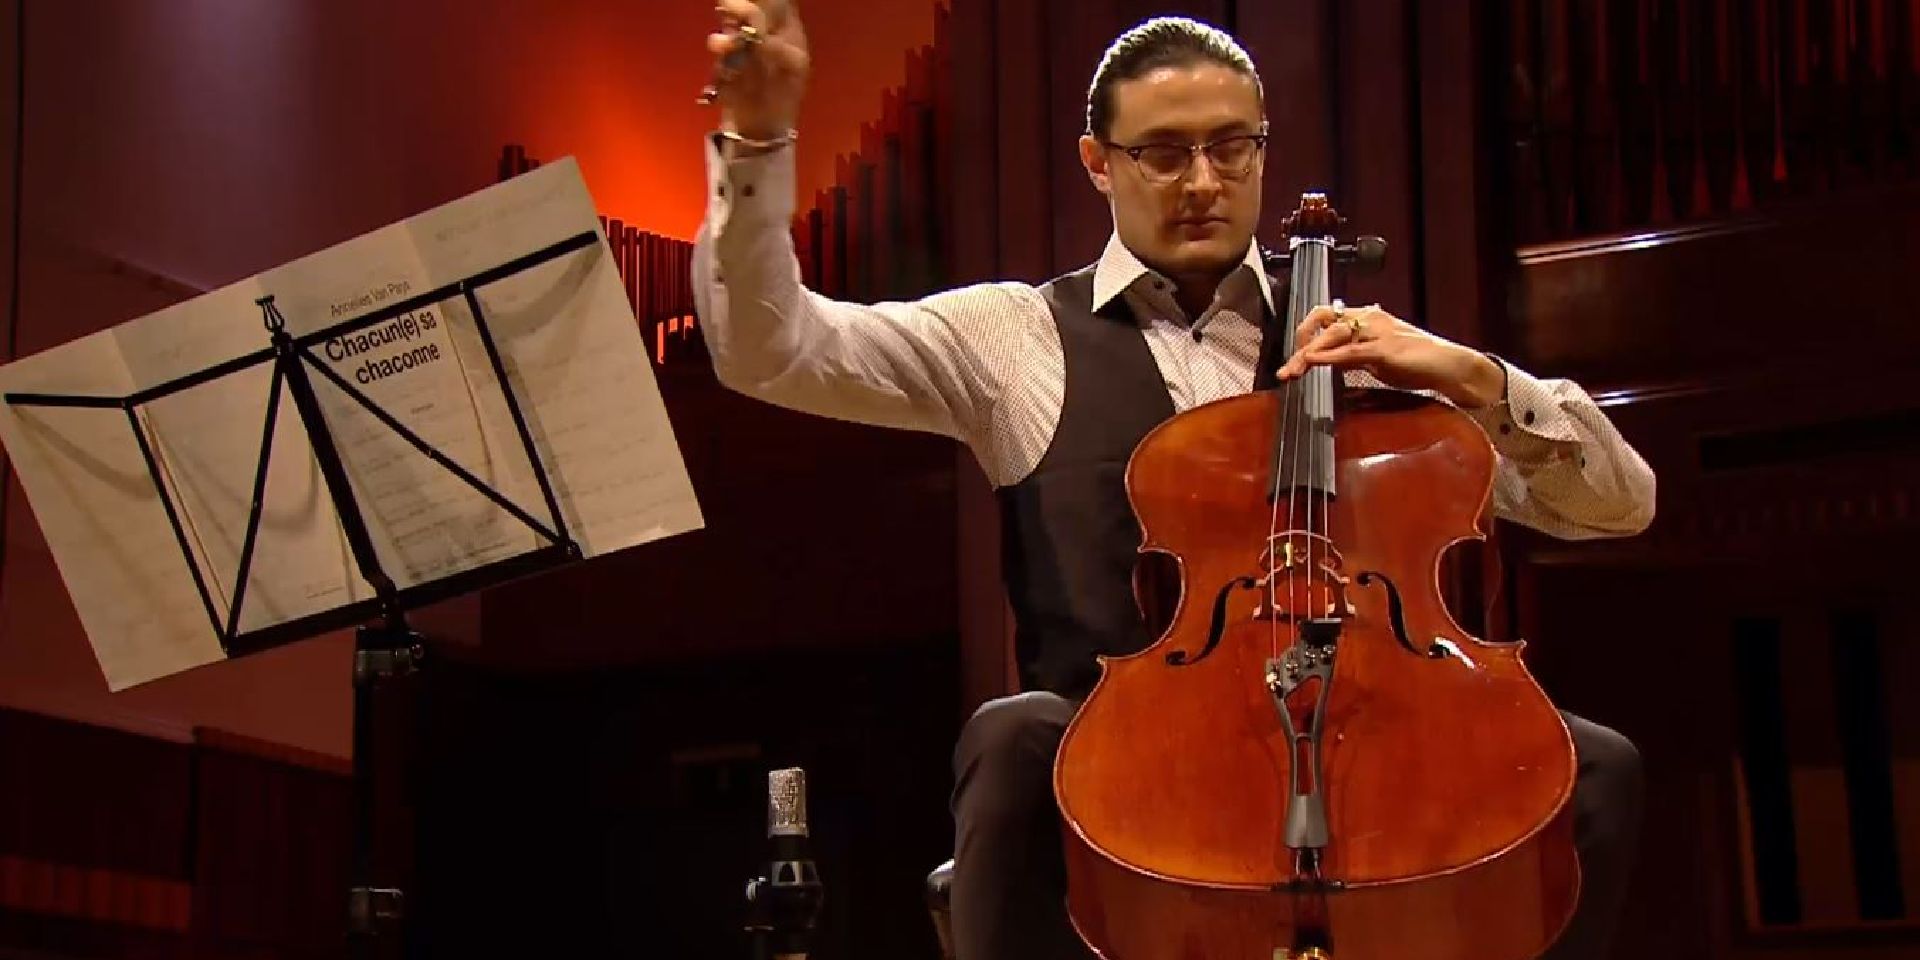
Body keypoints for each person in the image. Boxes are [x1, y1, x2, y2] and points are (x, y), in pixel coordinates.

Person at [691, 4, 1655, 958]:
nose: (1202, 182)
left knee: (1595, 767)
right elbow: (771, 349)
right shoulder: (1012, 338)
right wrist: (759, 140)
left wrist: (1478, 380)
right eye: (1162, 153)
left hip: (1365, 738)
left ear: (1263, 150)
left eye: (1231, 149)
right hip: (1125, 767)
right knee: (1012, 737)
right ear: (1097, 162)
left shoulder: (1359, 353)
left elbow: (1620, 504)